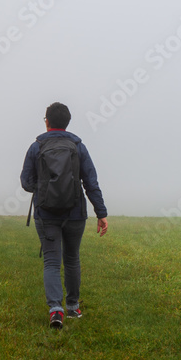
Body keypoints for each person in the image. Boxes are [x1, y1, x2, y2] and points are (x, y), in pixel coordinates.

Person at [21, 101, 108, 329]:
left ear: (47, 122)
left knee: (51, 262)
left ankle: (55, 311)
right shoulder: (78, 146)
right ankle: (72, 307)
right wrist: (101, 212)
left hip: (46, 213)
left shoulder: (36, 146)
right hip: (75, 213)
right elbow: (91, 182)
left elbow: (25, 182)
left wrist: (44, 189)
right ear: (67, 123)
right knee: (71, 259)